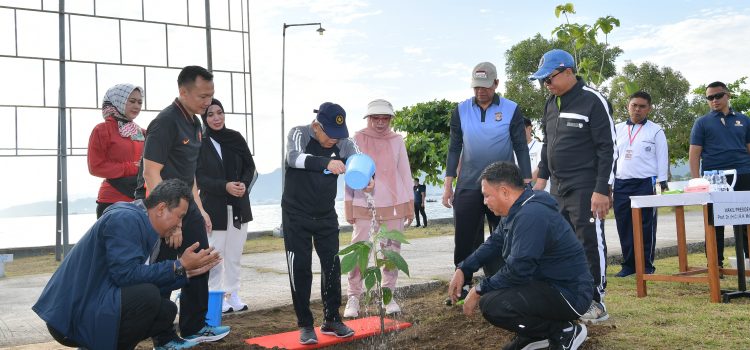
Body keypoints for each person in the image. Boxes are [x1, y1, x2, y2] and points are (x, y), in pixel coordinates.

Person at [32, 179, 222, 350]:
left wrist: (185, 272)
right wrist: (178, 266)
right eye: (180, 216)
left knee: (166, 311)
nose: (180, 225)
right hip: (71, 317)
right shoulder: (126, 219)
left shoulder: (141, 223)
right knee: (147, 296)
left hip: (93, 304)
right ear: (161, 209)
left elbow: (137, 277)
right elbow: (126, 276)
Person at [448, 161, 591, 350]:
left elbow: (518, 270)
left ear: (505, 192)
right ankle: (535, 334)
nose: (484, 202)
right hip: (547, 284)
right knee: (495, 290)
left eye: (487, 195)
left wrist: (479, 289)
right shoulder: (518, 209)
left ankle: (563, 331)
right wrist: (463, 268)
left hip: (569, 294)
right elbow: (494, 243)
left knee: (494, 305)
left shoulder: (531, 215)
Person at [135, 65, 230, 342]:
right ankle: (163, 337)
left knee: (201, 260)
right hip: (162, 211)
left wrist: (200, 211)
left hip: (187, 207)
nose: (208, 102)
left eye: (211, 96)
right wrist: (169, 223)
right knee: (167, 270)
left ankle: (194, 326)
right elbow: (150, 173)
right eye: (202, 96)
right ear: (183, 92)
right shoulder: (166, 122)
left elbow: (189, 178)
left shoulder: (196, 123)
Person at [529, 49, 615, 323]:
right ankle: (570, 297)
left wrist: (603, 189)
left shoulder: (593, 100)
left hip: (587, 186)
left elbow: (608, 148)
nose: (546, 84)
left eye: (549, 78)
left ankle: (595, 300)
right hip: (558, 188)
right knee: (562, 244)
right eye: (542, 80)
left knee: (589, 242)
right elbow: (547, 146)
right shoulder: (550, 103)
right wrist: (541, 179)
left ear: (568, 72)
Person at [442, 61, 532, 302]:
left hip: (502, 186)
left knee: (502, 234)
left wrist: (526, 182)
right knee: (464, 236)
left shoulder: (512, 109)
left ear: (496, 84)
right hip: (469, 184)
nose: (481, 91)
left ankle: (499, 282)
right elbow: (454, 148)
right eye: (476, 87)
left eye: (485, 86)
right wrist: (448, 183)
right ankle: (462, 282)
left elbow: (520, 146)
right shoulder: (460, 110)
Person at [282, 102, 368, 344]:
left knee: (332, 266)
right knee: (300, 269)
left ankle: (332, 318)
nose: (335, 140)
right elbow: (293, 158)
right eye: (330, 134)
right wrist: (326, 163)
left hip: (325, 215)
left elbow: (360, 160)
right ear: (316, 126)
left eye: (339, 135)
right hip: (295, 215)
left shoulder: (343, 141)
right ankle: (305, 324)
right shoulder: (299, 133)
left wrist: (368, 178)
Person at [343, 99, 414, 318]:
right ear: (368, 118)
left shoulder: (397, 140)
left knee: (391, 251)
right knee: (359, 250)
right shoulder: (357, 139)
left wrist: (409, 205)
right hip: (363, 202)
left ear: (391, 119)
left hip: (394, 204)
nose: (381, 122)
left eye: (385, 118)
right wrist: (348, 206)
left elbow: (404, 172)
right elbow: (351, 173)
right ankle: (353, 297)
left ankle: (387, 295)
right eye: (376, 118)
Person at [196, 98, 257, 313]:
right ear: (204, 118)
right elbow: (199, 178)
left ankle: (233, 294)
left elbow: (250, 167)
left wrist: (243, 184)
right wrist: (225, 186)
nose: (216, 117)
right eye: (210, 114)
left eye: (219, 112)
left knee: (234, 254)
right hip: (214, 208)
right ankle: (216, 295)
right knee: (215, 253)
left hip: (239, 206)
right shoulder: (200, 141)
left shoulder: (235, 138)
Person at [689, 81, 750, 267]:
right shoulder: (702, 122)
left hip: (743, 174)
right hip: (714, 177)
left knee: (745, 220)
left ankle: (747, 262)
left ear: (727, 95)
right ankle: (716, 265)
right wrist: (696, 181)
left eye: (718, 96)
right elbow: (694, 154)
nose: (714, 100)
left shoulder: (744, 119)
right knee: (714, 223)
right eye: (709, 97)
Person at [613, 91, 669, 277]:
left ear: (649, 109)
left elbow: (662, 157)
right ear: (628, 106)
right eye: (634, 105)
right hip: (621, 183)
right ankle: (629, 265)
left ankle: (646, 265)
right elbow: (610, 156)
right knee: (624, 225)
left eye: (642, 106)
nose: (637, 109)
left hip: (645, 183)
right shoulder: (617, 128)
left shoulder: (656, 130)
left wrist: (662, 181)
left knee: (646, 226)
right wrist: (608, 182)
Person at [87, 83, 145, 218]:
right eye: (131, 101)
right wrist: (131, 167)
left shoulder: (141, 131)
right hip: (112, 201)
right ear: (119, 101)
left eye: (139, 102)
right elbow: (95, 167)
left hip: (140, 200)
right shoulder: (101, 130)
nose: (137, 106)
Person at [525, 117, 550, 192]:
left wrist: (520, 184)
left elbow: (541, 169)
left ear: (529, 129)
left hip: (540, 194)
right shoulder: (512, 150)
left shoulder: (541, 146)